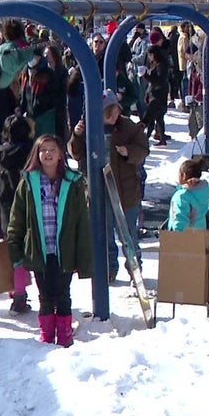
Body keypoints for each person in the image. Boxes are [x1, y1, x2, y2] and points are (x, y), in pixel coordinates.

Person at [6, 135, 94, 347]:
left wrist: (83, 255)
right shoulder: (28, 182)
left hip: (64, 250)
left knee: (63, 293)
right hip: (39, 249)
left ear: (61, 154)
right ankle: (46, 334)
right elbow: (17, 218)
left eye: (52, 149)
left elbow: (82, 222)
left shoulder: (72, 182)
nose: (48, 153)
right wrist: (15, 249)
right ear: (37, 154)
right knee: (44, 294)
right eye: (43, 150)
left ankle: (64, 334)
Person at [70, 91, 149, 281]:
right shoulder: (88, 126)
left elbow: (143, 148)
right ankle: (109, 269)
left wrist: (128, 151)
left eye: (116, 112)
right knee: (105, 235)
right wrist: (76, 136)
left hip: (125, 190)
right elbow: (76, 153)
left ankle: (135, 270)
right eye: (109, 113)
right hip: (100, 189)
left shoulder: (127, 126)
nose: (114, 116)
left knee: (128, 235)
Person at [0, 115, 37, 313]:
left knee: (16, 255)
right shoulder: (32, 155)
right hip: (29, 211)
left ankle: (17, 293)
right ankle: (40, 295)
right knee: (35, 253)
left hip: (6, 211)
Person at [168, 158, 209, 231]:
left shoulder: (181, 196)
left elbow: (180, 219)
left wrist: (176, 233)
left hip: (185, 236)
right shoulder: (203, 191)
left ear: (184, 175)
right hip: (200, 233)